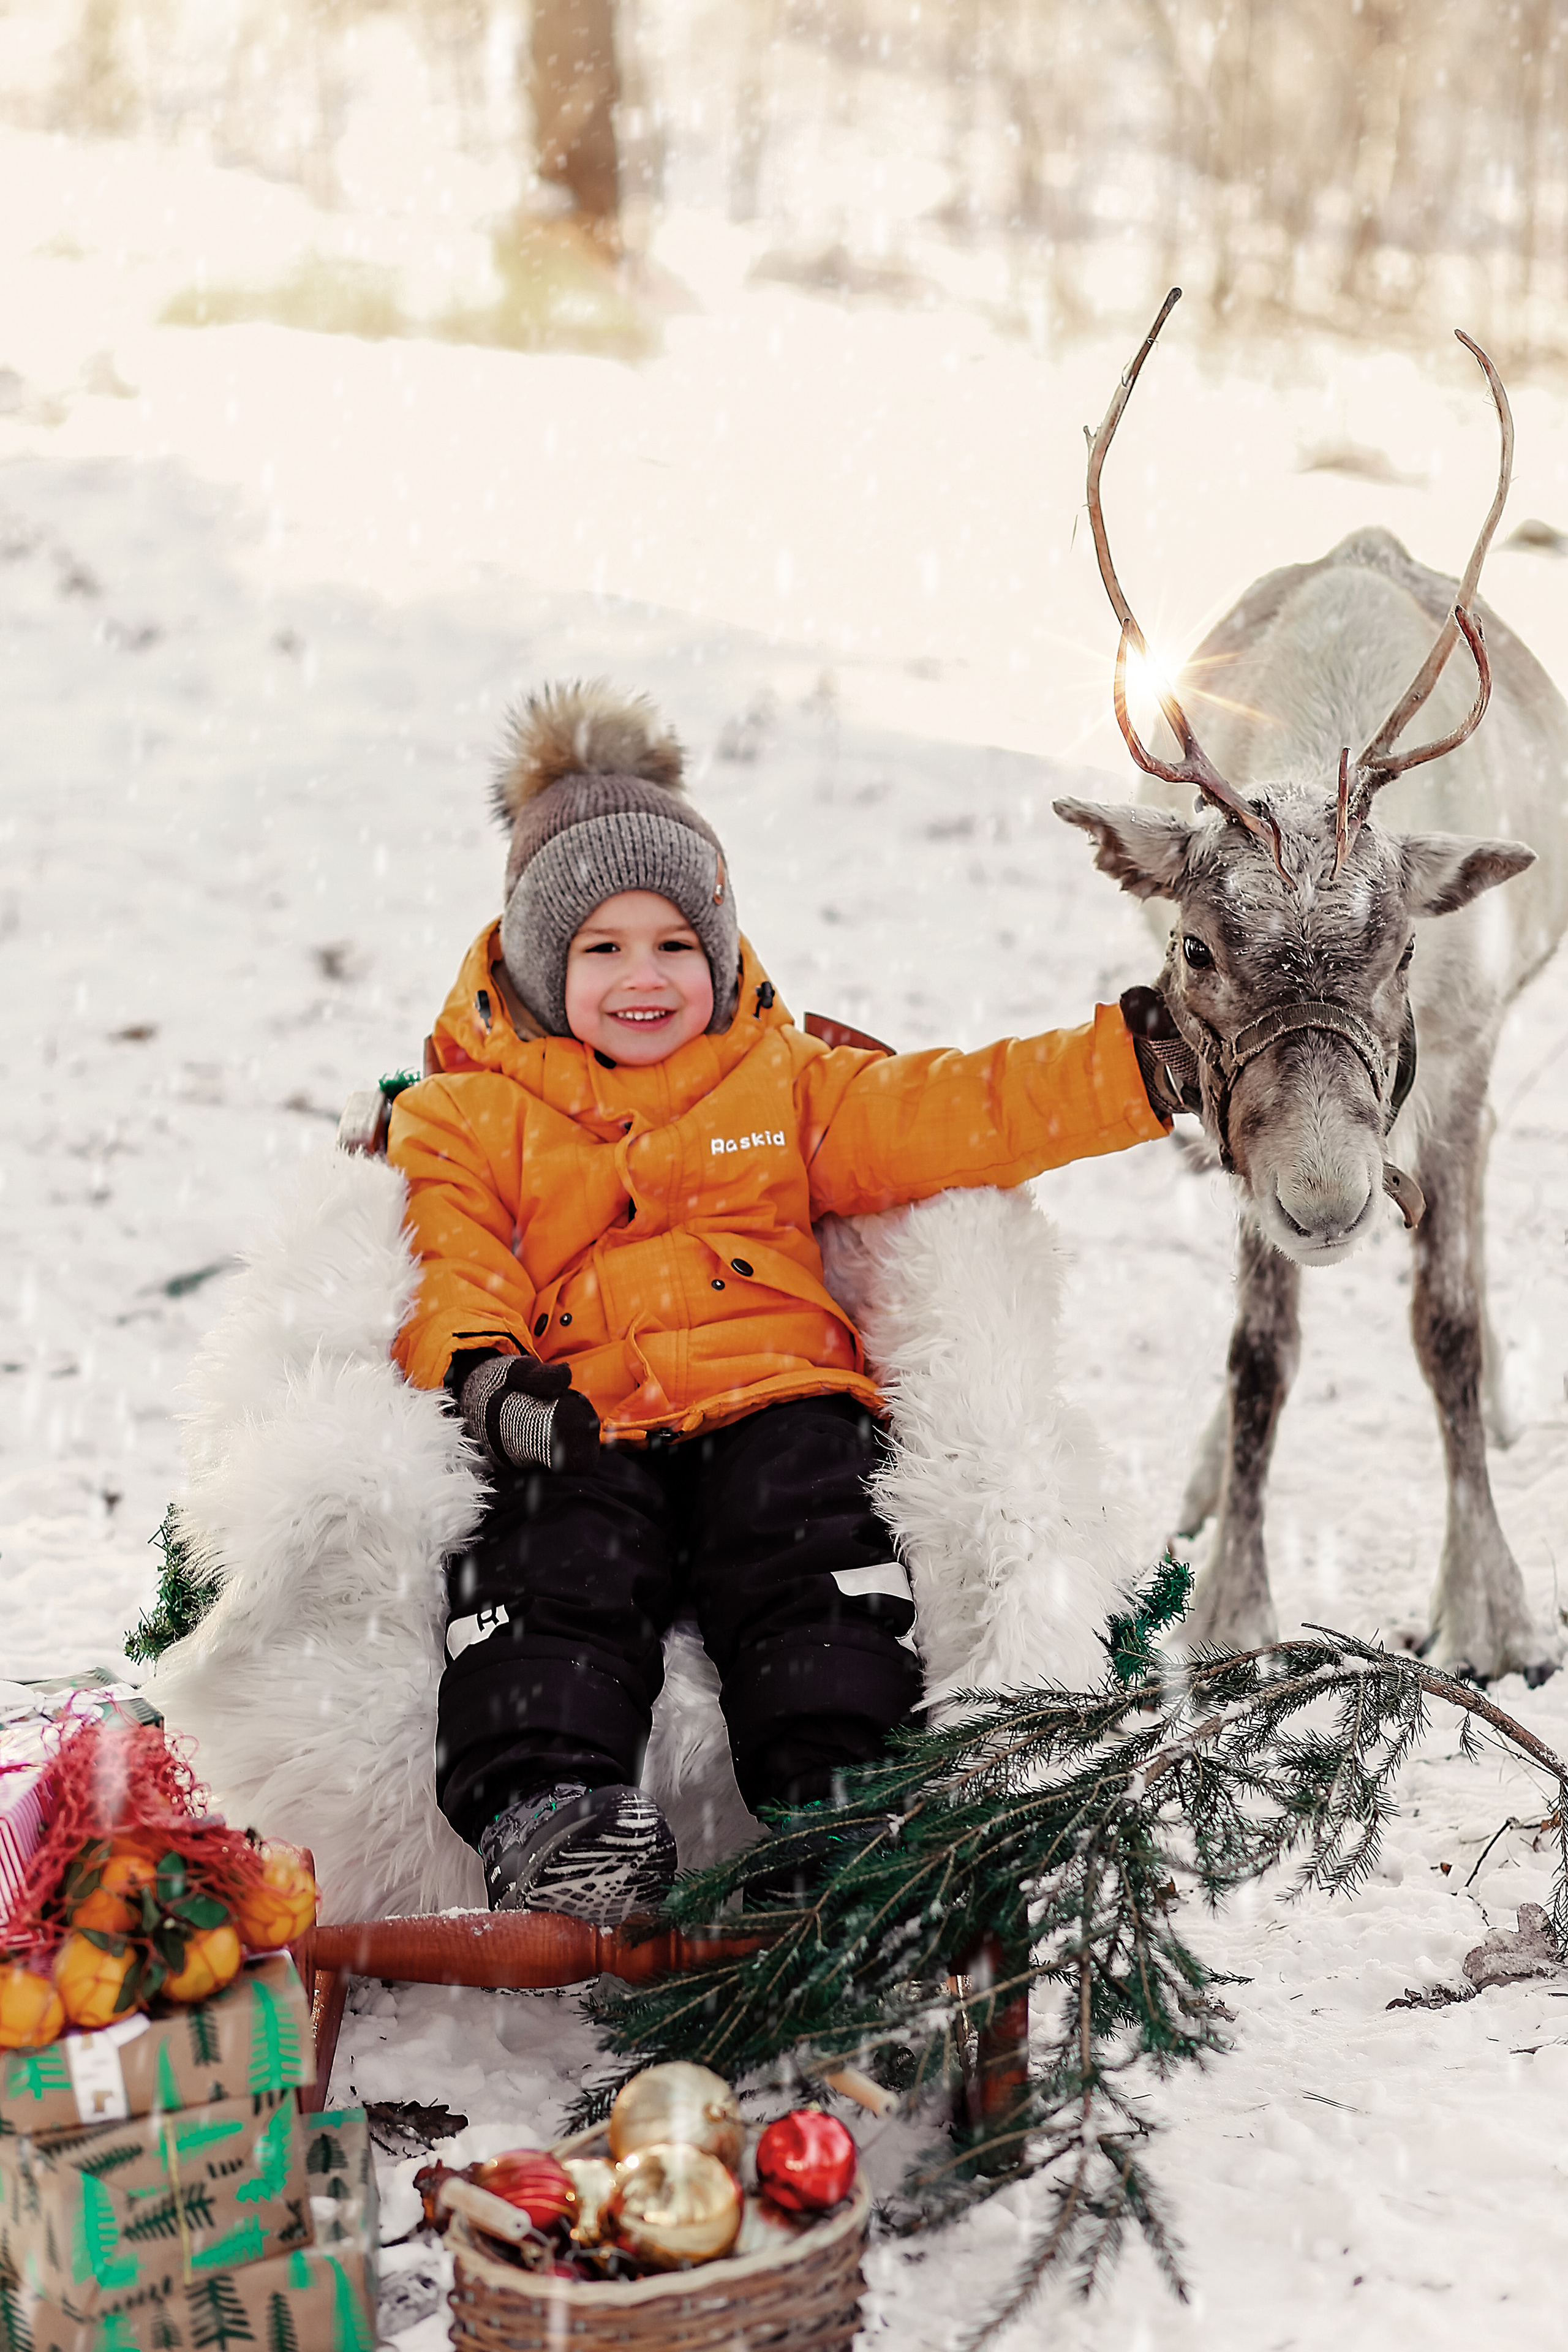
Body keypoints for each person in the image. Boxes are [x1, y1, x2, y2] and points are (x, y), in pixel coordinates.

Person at [387, 681, 1183, 1926]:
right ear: (540, 965)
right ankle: (550, 1808)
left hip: (777, 1400)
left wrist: (1130, 1065)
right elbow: (451, 1254)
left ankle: (842, 1799)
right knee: (550, 1569)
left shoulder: (788, 1080)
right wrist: (491, 1382)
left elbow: (954, 1109)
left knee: (812, 1554)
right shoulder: (464, 1113)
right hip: (576, 1413)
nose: (642, 978)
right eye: (600, 949)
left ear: (717, 950)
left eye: (673, 946)